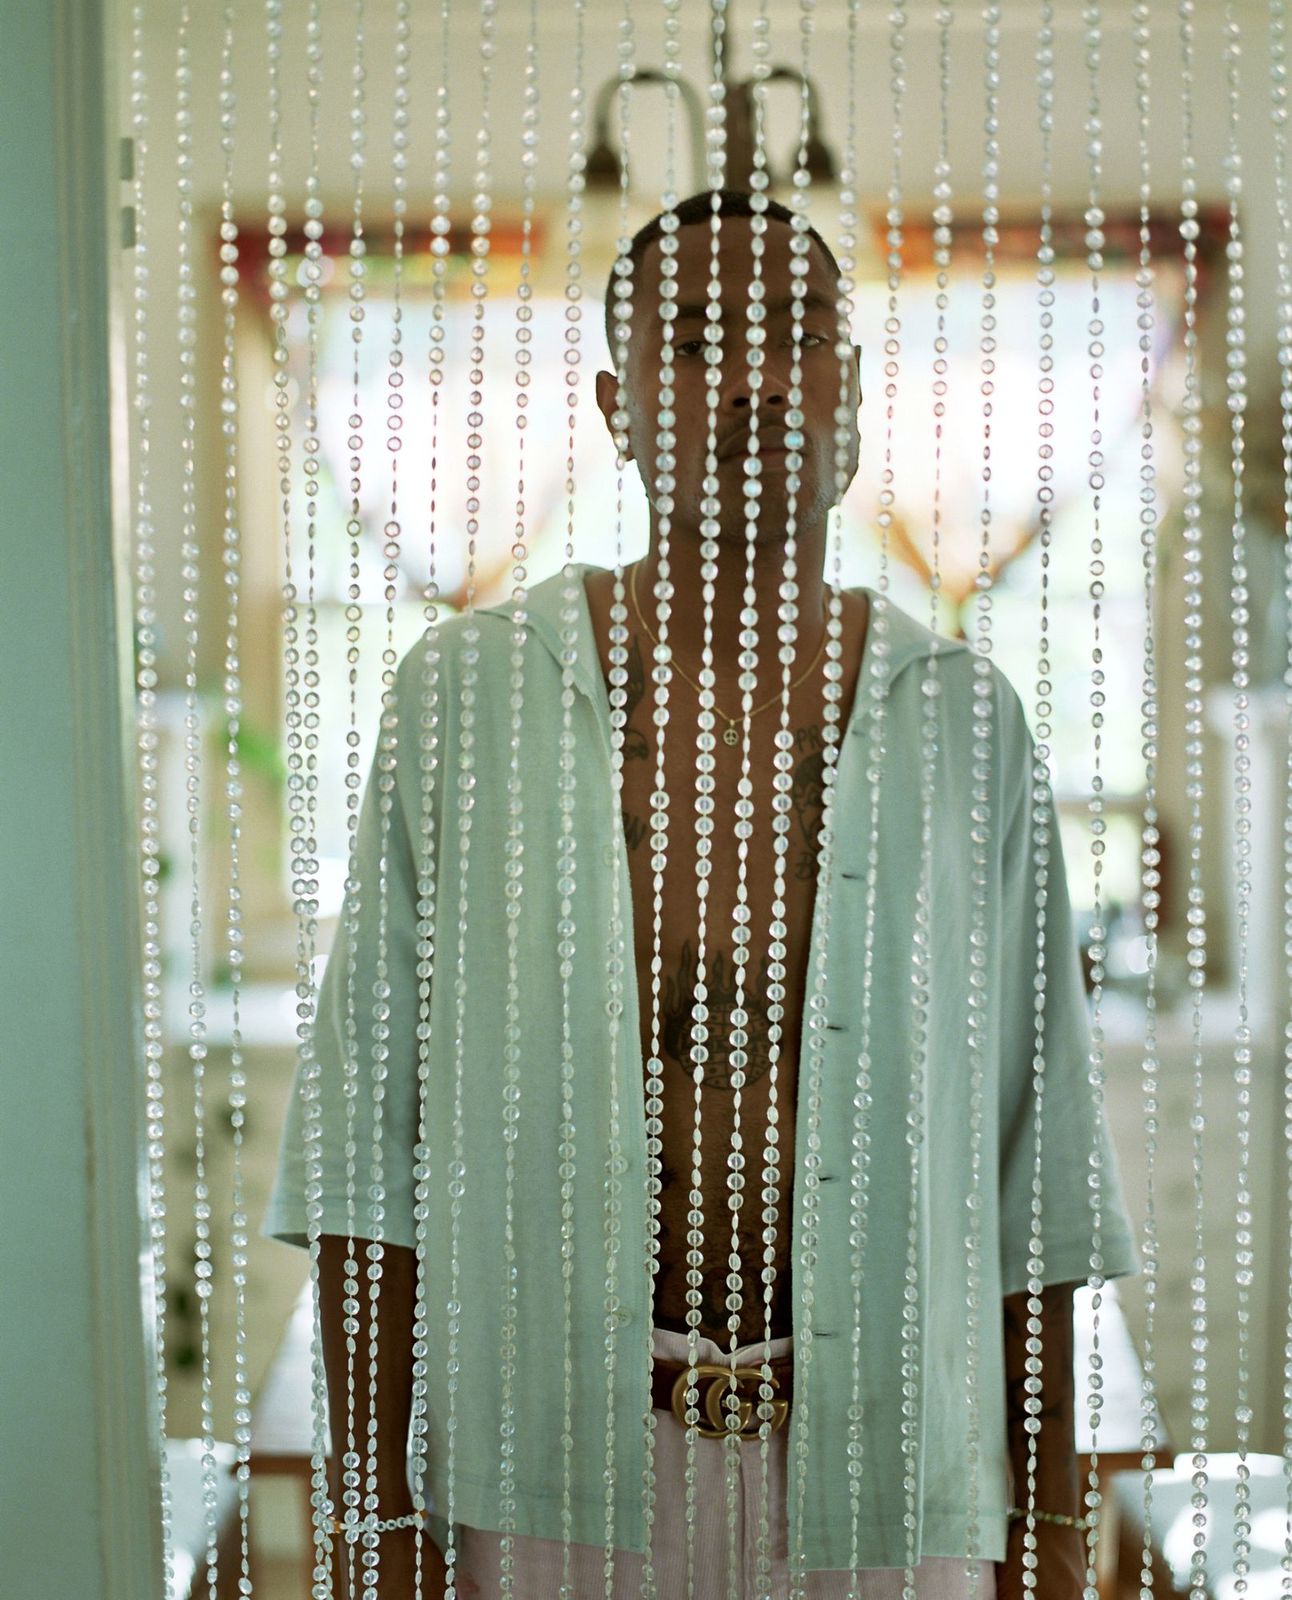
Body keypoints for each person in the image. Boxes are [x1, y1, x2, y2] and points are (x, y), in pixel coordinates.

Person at [263, 188, 1141, 1598]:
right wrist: (371, 1526)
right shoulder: (465, 706)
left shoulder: (967, 721)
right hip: (551, 1467)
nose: (752, 377)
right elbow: (371, 1140)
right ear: (617, 405)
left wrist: (1045, 1530)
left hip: (892, 1477)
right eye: (697, 340)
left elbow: (1040, 1171)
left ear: (850, 395)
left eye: (797, 335)